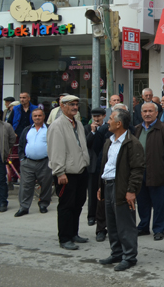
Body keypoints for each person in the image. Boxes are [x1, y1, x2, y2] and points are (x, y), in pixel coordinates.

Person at [97, 108, 145, 272]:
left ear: (119, 123)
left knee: (125, 224)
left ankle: (129, 257)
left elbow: (137, 170)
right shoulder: (109, 141)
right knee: (112, 223)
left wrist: (131, 190)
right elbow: (105, 166)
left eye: (110, 119)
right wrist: (100, 186)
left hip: (122, 188)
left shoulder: (132, 143)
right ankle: (116, 253)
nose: (107, 122)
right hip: (108, 185)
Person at [47, 95, 90, 250]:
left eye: (77, 104)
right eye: (71, 104)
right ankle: (64, 238)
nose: (75, 107)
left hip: (80, 170)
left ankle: (73, 233)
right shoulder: (57, 125)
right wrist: (59, 172)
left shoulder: (77, 123)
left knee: (78, 204)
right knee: (66, 206)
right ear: (62, 105)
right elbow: (55, 151)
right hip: (66, 173)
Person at [133, 102, 164, 241]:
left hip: (157, 171)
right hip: (139, 172)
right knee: (142, 202)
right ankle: (143, 226)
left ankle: (158, 229)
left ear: (156, 113)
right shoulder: (137, 129)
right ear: (141, 113)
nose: (147, 114)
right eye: (144, 111)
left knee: (158, 203)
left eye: (150, 111)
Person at [15, 108, 53, 217]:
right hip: (28, 163)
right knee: (26, 185)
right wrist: (22, 159)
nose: (37, 118)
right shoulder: (27, 130)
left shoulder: (49, 129)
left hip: (45, 162)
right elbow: (21, 145)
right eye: (35, 116)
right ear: (32, 118)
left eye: (39, 116)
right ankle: (24, 207)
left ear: (43, 117)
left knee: (46, 184)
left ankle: (43, 204)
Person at [84, 107, 109, 226]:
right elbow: (86, 144)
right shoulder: (87, 128)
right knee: (92, 191)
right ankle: (91, 216)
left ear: (104, 116)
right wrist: (93, 132)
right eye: (94, 117)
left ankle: (105, 217)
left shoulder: (109, 127)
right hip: (93, 165)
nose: (96, 119)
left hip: (105, 164)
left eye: (98, 116)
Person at [0, 108, 17, 212]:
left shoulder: (6, 126)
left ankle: (2, 202)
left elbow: (12, 139)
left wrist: (5, 150)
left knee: (0, 181)